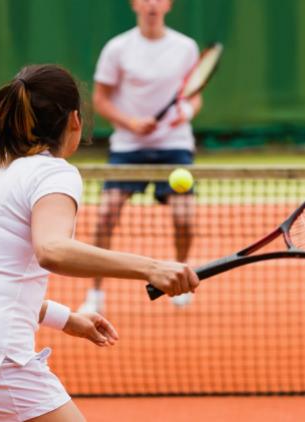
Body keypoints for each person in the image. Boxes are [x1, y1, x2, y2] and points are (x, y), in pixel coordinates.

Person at [0, 64, 199, 422]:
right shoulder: (55, 173)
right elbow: (52, 250)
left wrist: (67, 319)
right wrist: (151, 267)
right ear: (74, 120)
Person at [78, 0, 202, 313]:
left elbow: (193, 94)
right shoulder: (117, 48)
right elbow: (101, 99)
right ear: (134, 4)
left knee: (184, 218)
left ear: (168, 5)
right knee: (106, 216)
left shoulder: (185, 47)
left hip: (174, 146)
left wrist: (184, 112)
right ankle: (95, 294)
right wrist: (131, 123)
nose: (151, 4)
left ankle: (180, 276)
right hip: (128, 148)